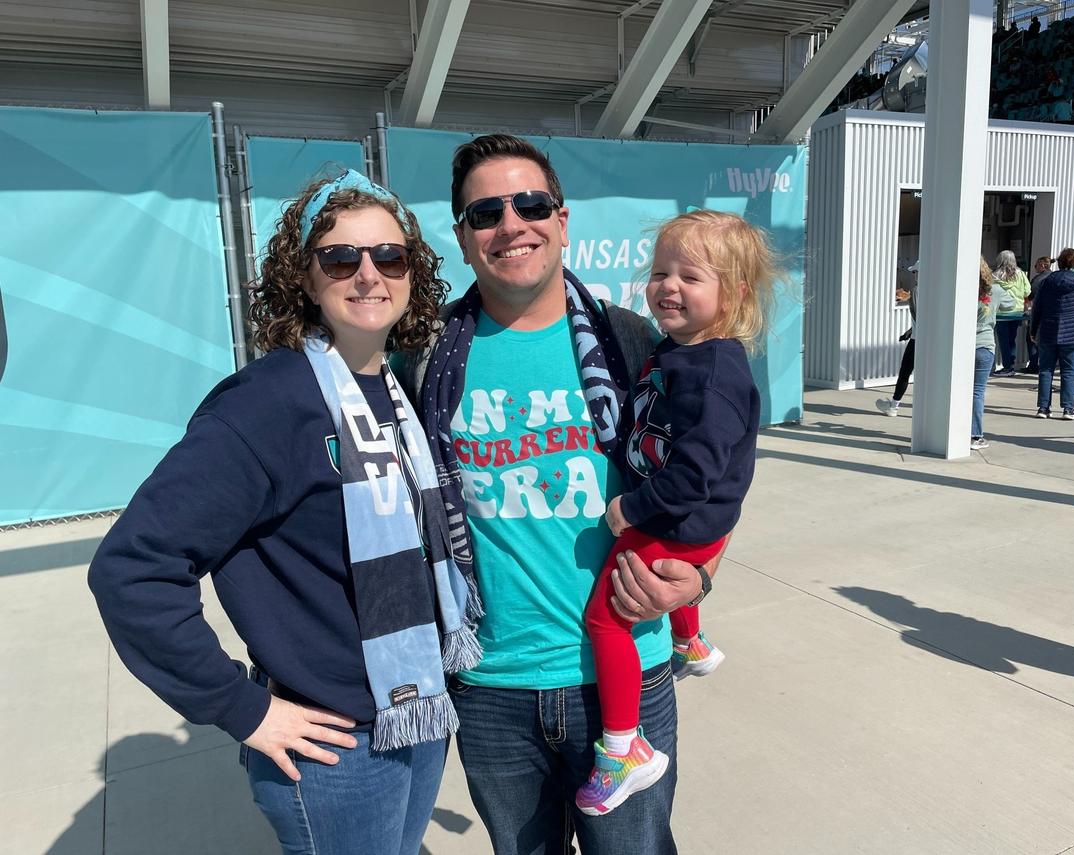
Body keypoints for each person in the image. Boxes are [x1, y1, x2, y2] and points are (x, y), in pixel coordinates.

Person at [88, 169, 476, 855]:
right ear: (304, 276)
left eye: (389, 255)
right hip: (338, 747)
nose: (368, 274)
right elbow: (133, 568)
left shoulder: (397, 388)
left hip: (415, 711)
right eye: (339, 257)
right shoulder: (264, 403)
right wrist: (242, 706)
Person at [397, 134, 725, 854]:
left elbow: (714, 471)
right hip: (489, 688)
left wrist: (696, 576)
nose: (511, 223)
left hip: (627, 677)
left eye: (531, 203)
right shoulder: (423, 359)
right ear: (462, 236)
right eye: (486, 212)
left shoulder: (636, 343)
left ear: (562, 218)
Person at [577, 210, 765, 816]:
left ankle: (624, 747)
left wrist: (628, 510)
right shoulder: (678, 352)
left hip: (674, 521)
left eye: (691, 276)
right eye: (661, 272)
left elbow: (690, 481)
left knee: (607, 621)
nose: (669, 286)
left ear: (733, 294)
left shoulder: (713, 377)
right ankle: (690, 641)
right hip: (687, 523)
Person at [1030, 247, 1074, 420]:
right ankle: (1068, 408)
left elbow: (1037, 307)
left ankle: (1043, 408)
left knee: (1045, 369)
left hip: (1048, 328)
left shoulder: (1046, 280)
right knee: (1068, 370)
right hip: (1073, 329)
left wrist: (1033, 329)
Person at [972, 256, 1016, 450]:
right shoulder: (996, 290)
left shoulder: (961, 290)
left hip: (962, 347)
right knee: (977, 392)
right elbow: (1011, 305)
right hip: (984, 345)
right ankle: (975, 435)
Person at [877, 261, 919, 416]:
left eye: (915, 272)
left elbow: (918, 315)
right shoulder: (936, 291)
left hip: (917, 340)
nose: (913, 275)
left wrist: (913, 332)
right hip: (928, 339)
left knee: (905, 372)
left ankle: (893, 406)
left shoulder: (916, 290)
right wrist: (909, 331)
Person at [990, 250, 1031, 375]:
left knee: (1003, 341)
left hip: (1001, 313)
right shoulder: (1021, 274)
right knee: (1011, 340)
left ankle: (1007, 367)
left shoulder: (995, 275)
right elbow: (1027, 291)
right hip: (1017, 312)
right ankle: (1010, 365)